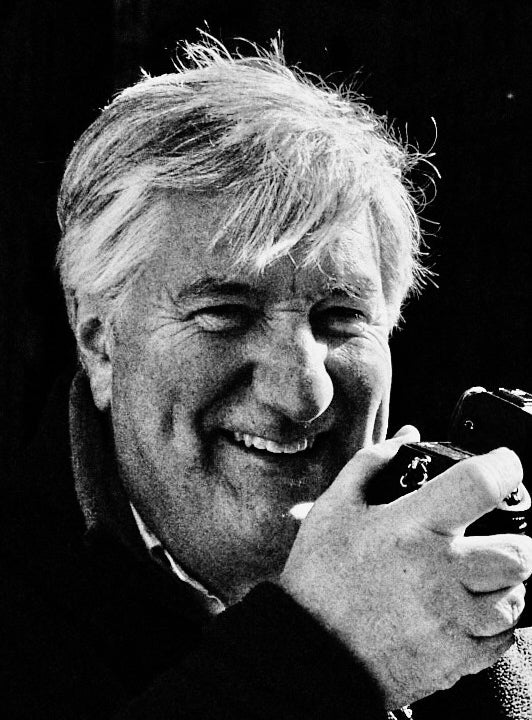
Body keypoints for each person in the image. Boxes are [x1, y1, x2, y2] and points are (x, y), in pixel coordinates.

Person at [1, 36, 531, 720]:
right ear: (98, 340)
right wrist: (329, 658)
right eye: (225, 313)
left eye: (342, 317)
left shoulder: (475, 590)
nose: (303, 394)